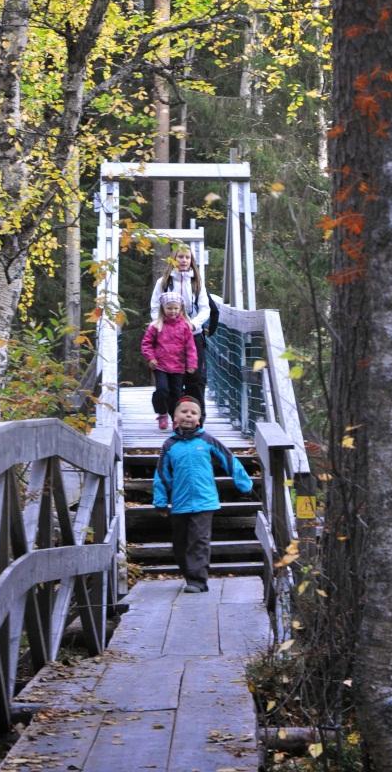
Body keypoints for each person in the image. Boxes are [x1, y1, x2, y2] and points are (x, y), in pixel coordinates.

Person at [153, 394, 253, 592]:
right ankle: (189, 574)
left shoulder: (207, 441)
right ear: (175, 417)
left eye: (193, 413)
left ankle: (197, 581)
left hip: (205, 501)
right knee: (180, 544)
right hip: (180, 502)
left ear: (199, 419)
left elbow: (230, 460)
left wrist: (245, 484)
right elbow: (161, 474)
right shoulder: (170, 445)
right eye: (184, 412)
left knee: (199, 540)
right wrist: (161, 501)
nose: (188, 415)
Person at [150, 244, 211, 419]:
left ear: (191, 261)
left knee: (196, 379)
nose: (184, 260)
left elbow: (205, 308)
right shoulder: (164, 282)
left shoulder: (197, 283)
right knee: (171, 381)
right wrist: (161, 324)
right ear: (173, 259)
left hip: (193, 336)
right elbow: (155, 307)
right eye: (180, 257)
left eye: (187, 257)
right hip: (168, 338)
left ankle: (198, 419)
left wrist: (193, 324)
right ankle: (172, 416)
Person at [140, 291, 198, 431]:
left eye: (176, 308)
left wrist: (191, 364)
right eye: (169, 308)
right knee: (162, 390)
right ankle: (162, 413)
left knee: (176, 394)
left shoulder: (185, 326)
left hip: (178, 366)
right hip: (161, 365)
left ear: (181, 309)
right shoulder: (156, 326)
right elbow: (146, 344)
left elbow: (190, 347)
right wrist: (151, 358)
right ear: (163, 309)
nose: (172, 311)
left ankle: (175, 419)